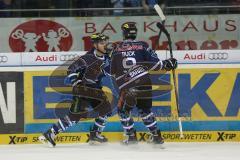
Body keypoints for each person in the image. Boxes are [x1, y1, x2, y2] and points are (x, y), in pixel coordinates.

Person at [39, 33, 113, 147]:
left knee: (106, 110)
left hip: (95, 89)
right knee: (75, 116)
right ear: (95, 45)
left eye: (106, 43)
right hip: (83, 89)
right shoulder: (87, 58)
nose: (105, 45)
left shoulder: (107, 57)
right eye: (102, 43)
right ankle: (50, 133)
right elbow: (71, 69)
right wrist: (76, 83)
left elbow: (110, 72)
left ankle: (95, 135)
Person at [110, 22, 177, 145]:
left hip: (128, 85)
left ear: (124, 33)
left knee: (123, 111)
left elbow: (111, 71)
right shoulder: (143, 45)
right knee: (145, 110)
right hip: (144, 82)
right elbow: (156, 64)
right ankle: (156, 136)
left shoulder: (116, 49)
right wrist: (169, 63)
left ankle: (131, 137)